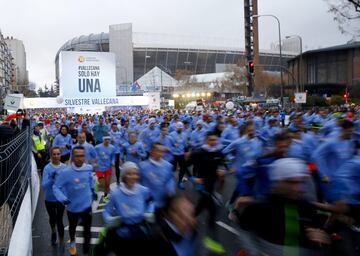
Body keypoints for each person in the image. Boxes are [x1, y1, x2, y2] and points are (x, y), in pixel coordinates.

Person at [233, 158, 331, 255]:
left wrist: (319, 239)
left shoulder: (307, 207)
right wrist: (254, 252)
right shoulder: (258, 208)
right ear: (277, 182)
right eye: (291, 182)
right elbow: (245, 233)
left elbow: (318, 239)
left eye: (302, 182)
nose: (298, 188)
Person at [100, 162, 155, 255]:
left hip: (141, 229)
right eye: (129, 174)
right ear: (124, 175)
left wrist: (150, 212)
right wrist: (109, 219)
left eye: (135, 174)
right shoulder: (116, 194)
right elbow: (106, 210)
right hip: (123, 230)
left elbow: (151, 201)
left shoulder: (143, 190)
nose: (132, 177)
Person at [188, 131, 226, 254]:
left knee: (201, 207)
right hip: (202, 185)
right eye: (210, 140)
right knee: (212, 210)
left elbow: (223, 164)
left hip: (212, 185)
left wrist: (221, 170)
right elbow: (184, 166)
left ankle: (186, 223)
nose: (213, 142)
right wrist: (194, 179)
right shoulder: (199, 152)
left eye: (214, 140)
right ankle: (212, 240)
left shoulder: (218, 152)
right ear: (205, 140)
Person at [53, 146, 96, 256]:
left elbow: (91, 180)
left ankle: (87, 251)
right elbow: (56, 187)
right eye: (77, 156)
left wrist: (93, 190)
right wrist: (63, 198)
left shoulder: (88, 168)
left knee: (87, 232)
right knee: (72, 227)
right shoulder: (66, 172)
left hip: (87, 206)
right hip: (73, 207)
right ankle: (72, 241)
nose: (80, 158)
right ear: (72, 157)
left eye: (82, 156)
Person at [139, 143, 175, 210]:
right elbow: (139, 182)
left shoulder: (168, 166)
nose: (160, 153)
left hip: (163, 201)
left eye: (162, 151)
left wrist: (170, 189)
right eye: (158, 150)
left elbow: (170, 179)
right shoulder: (142, 166)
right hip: (147, 202)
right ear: (152, 151)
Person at [41, 147, 66, 246]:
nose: (56, 156)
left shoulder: (64, 167)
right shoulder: (47, 168)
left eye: (58, 154)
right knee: (52, 218)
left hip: (60, 198)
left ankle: (62, 240)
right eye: (54, 154)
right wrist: (52, 178)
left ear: (60, 155)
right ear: (51, 155)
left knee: (60, 219)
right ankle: (53, 231)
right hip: (49, 198)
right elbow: (44, 185)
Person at [169, 122, 191, 189]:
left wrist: (187, 151)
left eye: (181, 128)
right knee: (173, 169)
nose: (180, 129)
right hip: (173, 154)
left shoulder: (184, 134)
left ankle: (180, 182)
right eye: (179, 128)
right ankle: (170, 182)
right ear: (176, 128)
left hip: (181, 154)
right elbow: (169, 145)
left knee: (183, 168)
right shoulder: (171, 135)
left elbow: (185, 144)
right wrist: (173, 146)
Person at [95, 135, 116, 202]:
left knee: (107, 184)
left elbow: (113, 156)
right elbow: (94, 156)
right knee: (102, 184)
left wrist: (113, 162)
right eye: (105, 139)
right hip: (99, 168)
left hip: (108, 167)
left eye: (108, 139)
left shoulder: (112, 147)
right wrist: (95, 162)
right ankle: (95, 186)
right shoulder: (97, 147)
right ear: (103, 140)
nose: (107, 141)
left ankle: (105, 196)